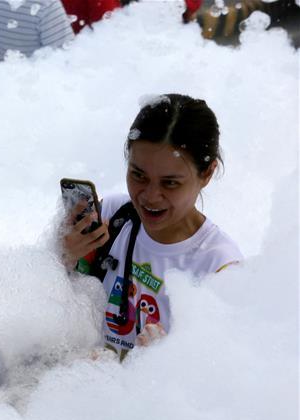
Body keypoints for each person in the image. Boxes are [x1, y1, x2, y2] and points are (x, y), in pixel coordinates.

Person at [62, 94, 242, 357]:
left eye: (170, 183)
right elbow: (50, 306)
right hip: (82, 384)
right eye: (138, 175)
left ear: (207, 173)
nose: (149, 196)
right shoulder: (115, 217)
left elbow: (222, 378)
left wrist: (166, 363)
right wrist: (64, 257)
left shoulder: (220, 267)